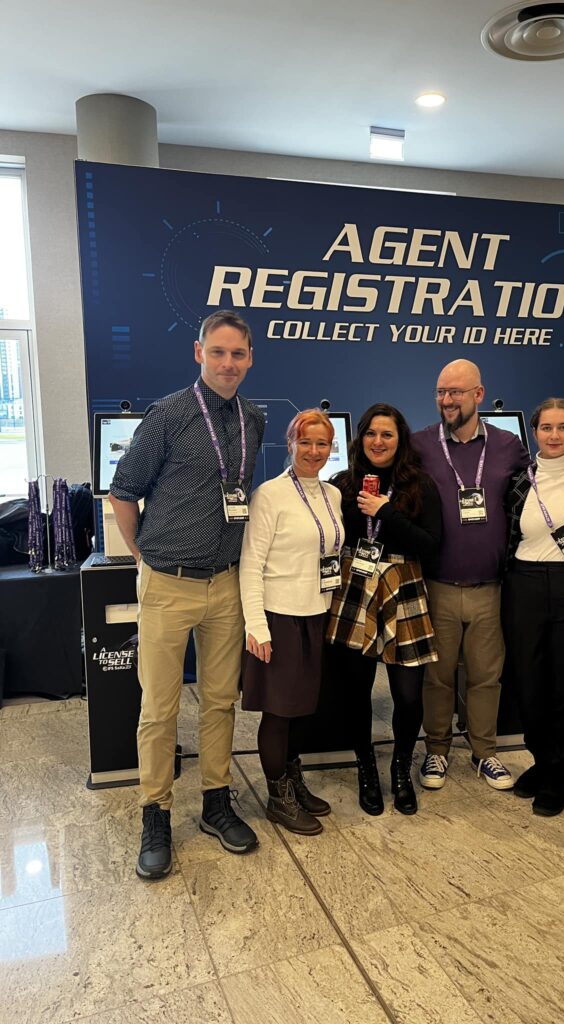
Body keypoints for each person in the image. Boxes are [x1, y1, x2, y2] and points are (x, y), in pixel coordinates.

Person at [109, 309, 264, 880]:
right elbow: (123, 490)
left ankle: (216, 802)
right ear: (199, 353)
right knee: (160, 706)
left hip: (225, 584)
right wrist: (142, 556)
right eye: (217, 352)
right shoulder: (169, 414)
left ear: (250, 359)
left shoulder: (254, 419)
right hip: (168, 583)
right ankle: (155, 813)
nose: (228, 363)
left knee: (221, 700)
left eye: (238, 354)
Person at [412, 359, 530, 792]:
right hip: (437, 586)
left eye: (456, 392)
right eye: (441, 392)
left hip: (490, 588)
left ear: (478, 395)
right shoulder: (420, 445)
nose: (447, 400)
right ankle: (437, 751)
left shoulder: (508, 446)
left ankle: (485, 752)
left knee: (485, 677)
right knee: (437, 678)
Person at [326, 404, 442, 815]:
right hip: (355, 586)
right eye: (371, 434)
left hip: (402, 585)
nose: (378, 442)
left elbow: (430, 545)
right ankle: (366, 769)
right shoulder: (343, 484)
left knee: (408, 696)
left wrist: (386, 512)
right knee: (356, 691)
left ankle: (400, 768)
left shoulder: (419, 484)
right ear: (360, 439)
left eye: (387, 434)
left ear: (400, 440)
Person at [239, 409, 344, 835]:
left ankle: (294, 781)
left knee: (302, 710)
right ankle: (277, 797)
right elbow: (251, 564)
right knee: (279, 712)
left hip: (314, 615)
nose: (314, 451)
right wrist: (256, 625)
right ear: (290, 444)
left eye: (322, 444)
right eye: (305, 442)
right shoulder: (270, 495)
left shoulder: (332, 494)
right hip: (278, 618)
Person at [502, 398, 564, 816]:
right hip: (524, 584)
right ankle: (541, 759)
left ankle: (561, 772)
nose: (555, 435)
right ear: (534, 432)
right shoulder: (517, 481)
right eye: (546, 428)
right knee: (528, 682)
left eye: (563, 427)